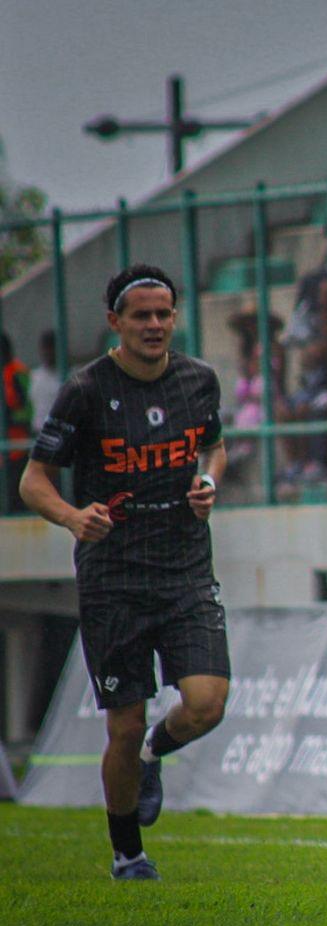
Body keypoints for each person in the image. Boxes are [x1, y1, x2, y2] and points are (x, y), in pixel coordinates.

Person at [20, 264, 231, 882]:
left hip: (186, 567)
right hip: (113, 575)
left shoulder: (199, 380)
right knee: (123, 720)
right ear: (115, 321)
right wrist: (71, 516)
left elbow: (214, 445)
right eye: (142, 315)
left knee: (207, 703)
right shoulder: (86, 391)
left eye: (164, 314)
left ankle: (151, 756)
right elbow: (34, 480)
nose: (155, 325)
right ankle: (128, 855)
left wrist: (209, 480)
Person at [2, 331, 31, 512]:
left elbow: (28, 410)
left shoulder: (17, 372)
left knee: (16, 500)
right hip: (5, 451)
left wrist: (9, 417)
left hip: (18, 448)